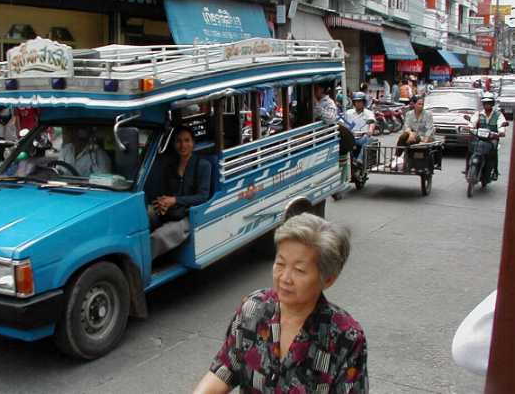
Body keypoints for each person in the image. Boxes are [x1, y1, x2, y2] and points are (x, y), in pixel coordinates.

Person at [193, 213, 368, 394]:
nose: (284, 278)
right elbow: (225, 369)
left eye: (299, 270)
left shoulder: (346, 337)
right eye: (280, 263)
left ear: (328, 279)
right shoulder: (253, 309)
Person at [149, 126, 211, 259]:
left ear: (193, 143)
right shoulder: (171, 166)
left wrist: (175, 201)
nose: (183, 145)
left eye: (187, 140)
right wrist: (163, 204)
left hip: (189, 216)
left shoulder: (203, 165)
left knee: (157, 237)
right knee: (145, 214)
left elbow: (203, 197)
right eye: (179, 141)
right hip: (171, 211)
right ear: (174, 144)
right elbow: (165, 192)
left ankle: (141, 272)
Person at [469, 92, 506, 181]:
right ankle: (468, 169)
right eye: (485, 103)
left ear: (492, 103)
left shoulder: (498, 114)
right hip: (480, 137)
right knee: (471, 148)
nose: (487, 105)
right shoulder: (479, 113)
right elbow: (472, 122)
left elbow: (501, 124)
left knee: (493, 152)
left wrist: (501, 131)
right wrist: (470, 127)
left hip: (492, 138)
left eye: (489, 103)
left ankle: (495, 171)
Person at [344, 92, 375, 163]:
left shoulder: (368, 113)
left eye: (360, 101)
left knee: (368, 139)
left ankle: (359, 160)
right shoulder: (348, 113)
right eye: (356, 101)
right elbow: (342, 122)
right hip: (351, 137)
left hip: (362, 137)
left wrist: (370, 130)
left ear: (364, 102)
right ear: (353, 103)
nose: (358, 103)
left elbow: (372, 122)